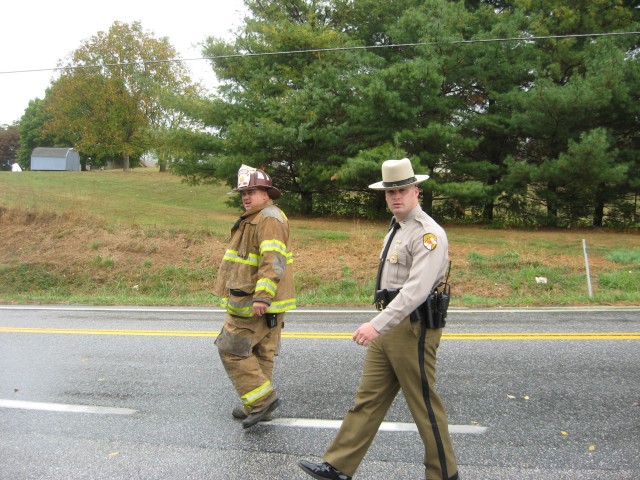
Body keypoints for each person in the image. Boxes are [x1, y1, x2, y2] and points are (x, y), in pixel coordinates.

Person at [298, 158, 458, 479]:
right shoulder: (398, 227)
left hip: (413, 327)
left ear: (416, 191)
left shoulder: (428, 234)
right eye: (389, 192)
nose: (395, 197)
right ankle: (339, 465)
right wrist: (381, 322)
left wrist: (376, 325)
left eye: (401, 190)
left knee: (424, 406)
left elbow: (414, 291)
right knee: (367, 399)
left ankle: (444, 474)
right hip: (390, 322)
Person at [212, 165, 296, 429]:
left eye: (251, 191)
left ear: (266, 193)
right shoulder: (257, 217)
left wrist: (262, 297)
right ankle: (258, 405)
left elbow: (273, 260)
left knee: (231, 348)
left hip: (254, 301)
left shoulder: (268, 218)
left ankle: (262, 402)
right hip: (260, 300)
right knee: (261, 352)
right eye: (243, 192)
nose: (246, 196)